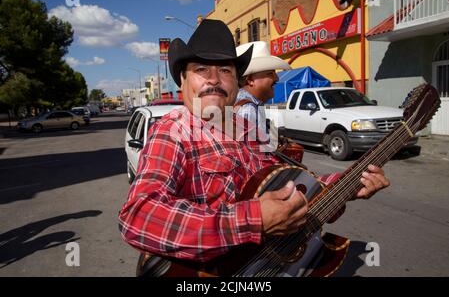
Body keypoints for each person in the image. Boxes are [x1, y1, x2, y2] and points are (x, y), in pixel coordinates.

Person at [118, 19, 390, 267]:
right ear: (182, 80)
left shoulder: (247, 130)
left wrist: (347, 184)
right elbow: (139, 217)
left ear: (236, 83)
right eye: (201, 69)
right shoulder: (173, 131)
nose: (214, 79)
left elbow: (285, 187)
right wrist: (253, 220)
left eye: (225, 69)